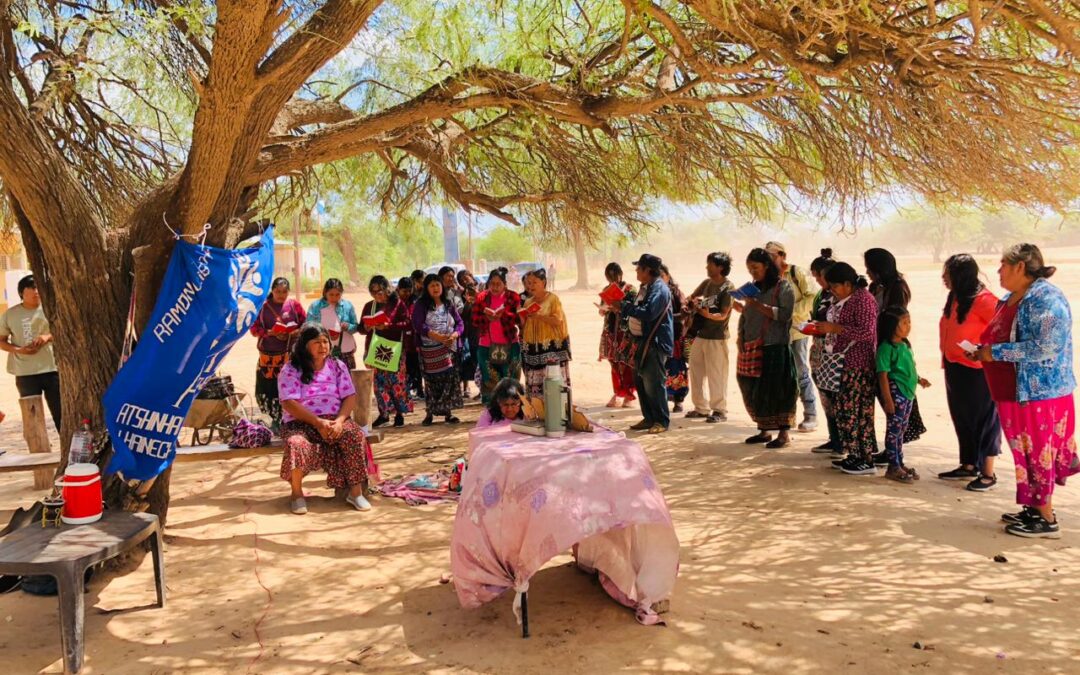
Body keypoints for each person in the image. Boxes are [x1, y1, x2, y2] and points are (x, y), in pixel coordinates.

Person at [973, 244, 1078, 538]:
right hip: (1013, 391)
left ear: (1021, 266)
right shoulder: (1010, 298)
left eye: (1003, 265)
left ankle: (1046, 517)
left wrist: (996, 353)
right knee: (1025, 454)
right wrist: (984, 352)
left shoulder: (1047, 299)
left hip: (1039, 392)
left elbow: (1047, 347)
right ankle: (1032, 507)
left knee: (1038, 453)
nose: (999, 271)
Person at [278, 326, 372, 515]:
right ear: (305, 346)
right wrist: (317, 422)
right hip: (301, 422)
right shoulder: (291, 368)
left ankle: (355, 492)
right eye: (316, 342)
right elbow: (288, 403)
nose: (323, 346)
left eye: (325, 341)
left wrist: (339, 421)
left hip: (334, 421)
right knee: (296, 443)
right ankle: (296, 494)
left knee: (354, 435)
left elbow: (349, 397)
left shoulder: (337, 365)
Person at [937, 254, 1002, 490]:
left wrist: (986, 350)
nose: (944, 278)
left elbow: (1003, 328)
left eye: (948, 273)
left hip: (979, 370)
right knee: (962, 416)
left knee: (984, 419)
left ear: (960, 276)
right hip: (955, 365)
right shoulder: (956, 297)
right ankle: (967, 464)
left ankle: (988, 472)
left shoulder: (984, 300)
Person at [814, 263, 879, 475]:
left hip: (858, 365)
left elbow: (867, 333)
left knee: (858, 412)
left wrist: (835, 328)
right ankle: (853, 455)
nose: (831, 290)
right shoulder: (843, 299)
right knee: (844, 411)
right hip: (841, 363)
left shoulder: (863, 300)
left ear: (848, 284)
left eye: (834, 286)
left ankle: (865, 458)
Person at [864, 247, 925, 456]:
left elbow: (894, 317)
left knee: (894, 401)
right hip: (878, 344)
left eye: (869, 269)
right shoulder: (876, 286)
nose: (867, 273)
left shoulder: (897, 288)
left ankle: (893, 453)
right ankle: (892, 453)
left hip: (889, 346)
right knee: (888, 403)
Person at [733, 249, 797, 448]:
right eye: (750, 268)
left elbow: (785, 315)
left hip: (775, 347)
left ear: (767, 266)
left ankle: (784, 434)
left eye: (756, 268)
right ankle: (764, 430)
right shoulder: (752, 288)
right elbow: (747, 316)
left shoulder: (783, 287)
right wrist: (740, 336)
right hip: (752, 347)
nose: (752, 272)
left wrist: (756, 305)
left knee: (778, 390)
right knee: (754, 389)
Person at [766, 241, 818, 431]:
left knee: (801, 372)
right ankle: (785, 418)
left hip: (797, 331)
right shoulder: (768, 277)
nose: (768, 259)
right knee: (781, 376)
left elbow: (813, 297)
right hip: (776, 334)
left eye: (771, 255)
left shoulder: (797, 273)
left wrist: (790, 311)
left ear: (781, 255)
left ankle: (811, 415)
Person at [876, 307, 932, 484]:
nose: (908, 326)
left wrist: (919, 379)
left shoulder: (905, 344)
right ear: (892, 326)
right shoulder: (886, 348)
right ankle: (893, 467)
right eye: (904, 322)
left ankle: (899, 462)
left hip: (908, 394)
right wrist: (888, 400)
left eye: (909, 321)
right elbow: (882, 375)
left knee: (900, 430)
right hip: (896, 393)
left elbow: (909, 367)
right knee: (894, 431)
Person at [620, 254, 674, 434]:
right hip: (642, 342)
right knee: (642, 382)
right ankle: (649, 418)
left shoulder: (659, 289)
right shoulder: (647, 287)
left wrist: (623, 307)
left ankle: (661, 421)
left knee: (654, 383)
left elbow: (649, 312)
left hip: (654, 343)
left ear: (648, 270)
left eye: (639, 268)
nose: (636, 271)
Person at [0, 275, 60, 429]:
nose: (36, 291)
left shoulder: (51, 309)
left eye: (38, 287)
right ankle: (39, 448)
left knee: (60, 412)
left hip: (52, 368)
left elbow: (66, 331)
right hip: (24, 372)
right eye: (32, 288)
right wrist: (20, 350)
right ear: (22, 293)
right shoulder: (10, 314)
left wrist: (47, 337)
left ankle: (65, 446)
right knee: (32, 417)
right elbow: (1, 341)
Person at [250, 277, 306, 432]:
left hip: (290, 355)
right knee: (268, 389)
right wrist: (270, 332)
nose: (281, 295)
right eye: (278, 291)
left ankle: (290, 419)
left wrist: (294, 332)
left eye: (284, 292)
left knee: (290, 387)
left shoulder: (294, 306)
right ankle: (272, 421)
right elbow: (254, 329)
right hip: (267, 357)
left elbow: (306, 324)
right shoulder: (262, 308)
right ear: (272, 291)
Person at [685, 252, 734, 424]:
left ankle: (719, 410)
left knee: (716, 374)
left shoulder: (728, 287)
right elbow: (690, 298)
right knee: (696, 369)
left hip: (717, 337)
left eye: (710, 264)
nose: (707, 267)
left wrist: (707, 314)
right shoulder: (706, 283)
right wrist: (691, 304)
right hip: (701, 334)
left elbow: (723, 314)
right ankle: (701, 407)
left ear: (720, 267)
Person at [359, 275, 413, 429]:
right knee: (378, 383)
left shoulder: (397, 304)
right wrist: (367, 327)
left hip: (393, 348)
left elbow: (407, 323)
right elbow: (361, 328)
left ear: (387, 289)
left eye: (380, 291)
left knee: (396, 382)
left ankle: (399, 414)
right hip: (375, 348)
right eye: (374, 292)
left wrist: (389, 325)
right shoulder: (369, 306)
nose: (378, 295)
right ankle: (384, 414)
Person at [411, 274, 465, 426]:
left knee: (448, 380)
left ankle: (448, 413)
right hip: (429, 349)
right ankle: (430, 413)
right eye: (432, 285)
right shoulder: (421, 305)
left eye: (437, 285)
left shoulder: (449, 304)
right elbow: (418, 324)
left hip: (448, 347)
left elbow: (460, 323)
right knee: (430, 382)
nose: (435, 288)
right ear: (427, 288)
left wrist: (455, 334)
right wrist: (436, 336)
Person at [472, 268, 523, 403]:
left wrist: (504, 315)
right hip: (486, 346)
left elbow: (518, 318)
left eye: (498, 284)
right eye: (492, 284)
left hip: (510, 344)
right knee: (490, 380)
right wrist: (487, 316)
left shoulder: (513, 297)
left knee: (511, 378)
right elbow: (475, 320)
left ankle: (512, 409)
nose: (494, 287)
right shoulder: (481, 297)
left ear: (504, 284)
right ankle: (493, 412)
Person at [520, 268, 571, 397]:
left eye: (534, 282)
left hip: (552, 347)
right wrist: (522, 317)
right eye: (528, 283)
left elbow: (558, 320)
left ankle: (557, 412)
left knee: (553, 382)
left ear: (543, 282)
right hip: (533, 349)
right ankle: (538, 411)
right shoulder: (527, 302)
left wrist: (539, 317)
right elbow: (525, 325)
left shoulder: (553, 299)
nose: (530, 286)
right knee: (535, 384)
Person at [808, 250, 840, 453]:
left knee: (834, 397)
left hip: (832, 352)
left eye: (819, 276)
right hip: (818, 349)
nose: (818, 281)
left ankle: (840, 441)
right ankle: (833, 438)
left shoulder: (839, 295)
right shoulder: (822, 294)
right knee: (825, 396)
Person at [599, 262, 638, 408]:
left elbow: (634, 308)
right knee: (613, 363)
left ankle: (629, 394)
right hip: (610, 331)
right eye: (609, 277)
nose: (611, 279)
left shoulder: (630, 289)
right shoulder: (606, 289)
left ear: (620, 274)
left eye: (614, 275)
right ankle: (617, 392)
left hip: (625, 332)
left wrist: (620, 308)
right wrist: (603, 309)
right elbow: (603, 307)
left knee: (626, 363)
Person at [306, 278, 360, 368]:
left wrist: (348, 327)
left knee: (347, 380)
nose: (334, 298)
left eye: (338, 295)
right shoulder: (315, 306)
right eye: (331, 294)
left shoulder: (347, 306)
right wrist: (323, 335)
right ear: (325, 293)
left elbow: (356, 327)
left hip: (346, 351)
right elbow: (308, 327)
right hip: (322, 353)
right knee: (325, 381)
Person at [659, 265, 690, 414]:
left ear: (667, 275)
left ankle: (678, 401)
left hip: (674, 338)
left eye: (661, 275)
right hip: (659, 337)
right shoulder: (653, 292)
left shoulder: (676, 293)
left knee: (677, 369)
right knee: (662, 370)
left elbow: (684, 313)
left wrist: (668, 318)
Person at [397, 277, 424, 399]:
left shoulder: (416, 302)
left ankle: (419, 389)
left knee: (417, 366)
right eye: (404, 291)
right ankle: (405, 391)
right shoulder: (394, 302)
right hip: (400, 341)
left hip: (414, 340)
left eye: (409, 291)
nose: (407, 294)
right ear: (398, 290)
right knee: (404, 367)